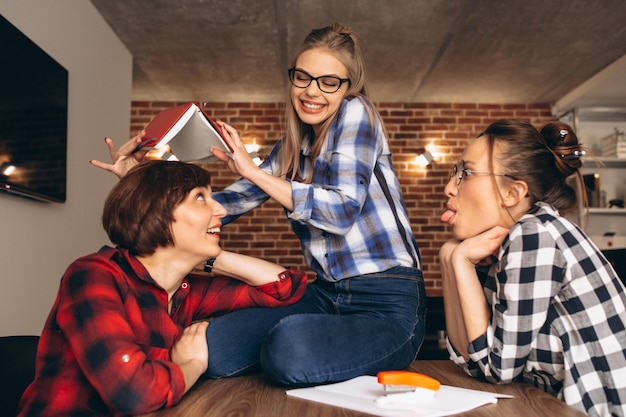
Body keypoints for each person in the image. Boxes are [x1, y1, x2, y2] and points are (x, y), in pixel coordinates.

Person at [90, 22, 426, 386]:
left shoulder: (356, 111)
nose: (312, 91)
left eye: (329, 82)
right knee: (210, 349)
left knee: (289, 349)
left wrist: (253, 171)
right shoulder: (288, 152)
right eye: (303, 77)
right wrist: (139, 185)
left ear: (348, 88)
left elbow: (340, 211)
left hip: (388, 300)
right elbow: (225, 205)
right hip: (326, 294)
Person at [17, 160, 307, 417]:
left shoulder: (184, 289)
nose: (219, 208)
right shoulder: (94, 275)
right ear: (159, 214)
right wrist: (192, 363)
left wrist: (211, 256)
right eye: (200, 198)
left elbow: (284, 289)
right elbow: (133, 393)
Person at [439, 119, 626, 416]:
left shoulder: (534, 234)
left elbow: (497, 369)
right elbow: (470, 362)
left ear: (513, 193)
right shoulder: (505, 246)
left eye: (466, 173)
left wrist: (460, 263)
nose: (449, 187)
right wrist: (450, 257)